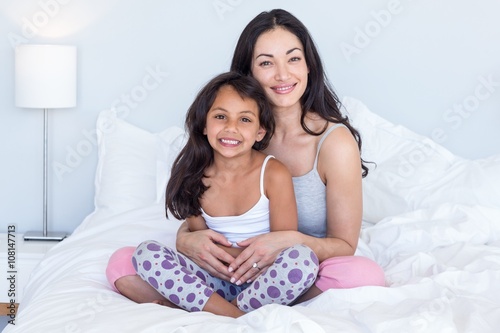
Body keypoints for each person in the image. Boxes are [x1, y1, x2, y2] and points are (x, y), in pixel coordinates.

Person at [106, 8, 384, 310]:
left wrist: (288, 240)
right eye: (266, 62)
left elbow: (345, 246)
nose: (282, 74)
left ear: (308, 67)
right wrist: (184, 239)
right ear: (248, 73)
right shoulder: (233, 138)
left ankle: (216, 309)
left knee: (362, 273)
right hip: (222, 268)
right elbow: (196, 209)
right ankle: (239, 310)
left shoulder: (335, 143)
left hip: (294, 267)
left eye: (293, 59)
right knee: (123, 263)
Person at [109, 72, 318, 318]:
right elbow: (202, 248)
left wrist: (237, 261)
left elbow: (283, 244)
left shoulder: (273, 173)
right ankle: (237, 317)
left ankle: (210, 311)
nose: (231, 128)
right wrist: (211, 256)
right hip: (211, 279)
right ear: (204, 125)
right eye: (221, 117)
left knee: (302, 260)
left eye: (245, 120)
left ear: (260, 131)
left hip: (264, 277)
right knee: (144, 253)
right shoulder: (192, 176)